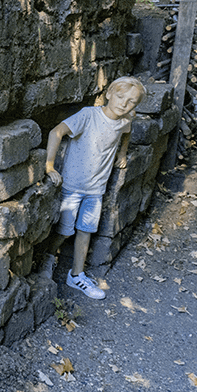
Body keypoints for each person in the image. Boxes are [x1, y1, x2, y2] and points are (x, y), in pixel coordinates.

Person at [41, 76, 147, 300]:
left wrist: (122, 153)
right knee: (64, 230)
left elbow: (125, 132)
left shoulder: (124, 121)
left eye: (131, 102)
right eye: (120, 97)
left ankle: (76, 274)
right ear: (109, 93)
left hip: (96, 189)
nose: (123, 104)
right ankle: (47, 260)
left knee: (86, 230)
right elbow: (55, 132)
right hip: (72, 186)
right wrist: (49, 165)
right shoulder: (89, 115)